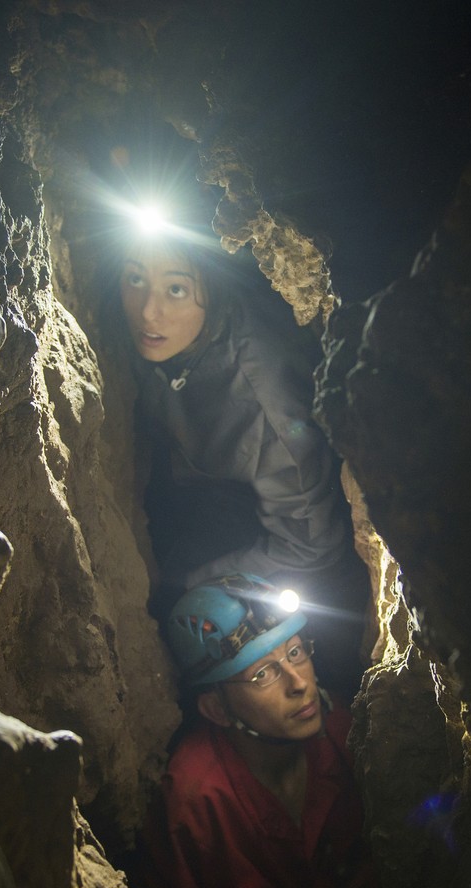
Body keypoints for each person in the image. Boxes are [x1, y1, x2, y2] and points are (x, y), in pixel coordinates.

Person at [105, 209, 369, 691]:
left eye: (176, 289)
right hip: (204, 481)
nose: (148, 311)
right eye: (135, 279)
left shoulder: (262, 404)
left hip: (294, 540)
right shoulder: (169, 334)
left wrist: (189, 582)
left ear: (211, 286)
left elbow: (312, 544)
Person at [141, 573, 388, 888]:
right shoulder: (194, 801)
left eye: (295, 652)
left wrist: (384, 870)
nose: (299, 683)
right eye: (262, 674)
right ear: (217, 709)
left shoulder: (349, 731)